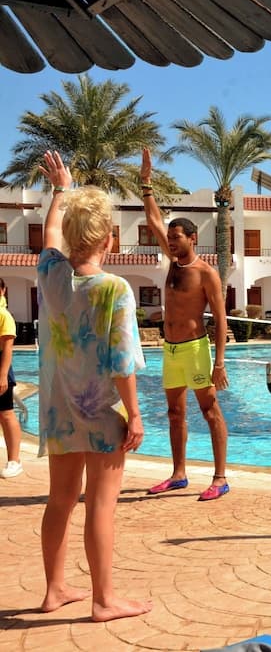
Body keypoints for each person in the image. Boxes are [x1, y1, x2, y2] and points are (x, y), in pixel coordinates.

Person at [35, 150, 152, 621]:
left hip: (60, 411)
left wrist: (60, 190)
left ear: (71, 236)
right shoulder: (114, 289)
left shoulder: (51, 275)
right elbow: (122, 364)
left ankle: (54, 590)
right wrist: (135, 414)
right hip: (102, 414)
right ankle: (104, 599)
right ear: (109, 238)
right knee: (101, 506)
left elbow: (49, 234)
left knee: (59, 500)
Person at [139, 148, 231, 502]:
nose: (171, 242)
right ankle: (179, 474)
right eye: (170, 238)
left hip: (195, 349)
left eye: (177, 238)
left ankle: (220, 478)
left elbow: (220, 319)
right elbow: (152, 220)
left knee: (210, 411)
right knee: (174, 413)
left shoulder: (206, 273)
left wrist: (219, 362)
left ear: (193, 239)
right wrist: (146, 184)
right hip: (171, 350)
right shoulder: (173, 263)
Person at [0, 278, 24, 478]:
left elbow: (8, 347)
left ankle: (14, 460)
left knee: (6, 414)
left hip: (1, 367)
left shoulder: (4, 315)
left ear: (3, 290)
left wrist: (2, 376)